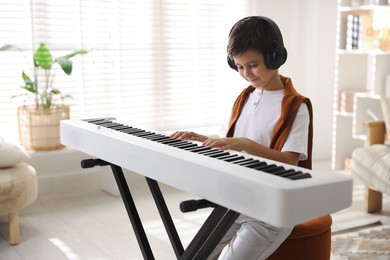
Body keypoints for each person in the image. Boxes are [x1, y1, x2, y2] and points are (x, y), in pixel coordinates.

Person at [170, 16, 313, 260]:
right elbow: (229, 144)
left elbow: (290, 163)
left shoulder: (295, 106)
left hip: (272, 211)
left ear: (275, 57)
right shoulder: (244, 97)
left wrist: (246, 145)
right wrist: (200, 139)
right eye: (239, 66)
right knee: (194, 256)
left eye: (253, 65)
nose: (246, 73)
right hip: (237, 203)